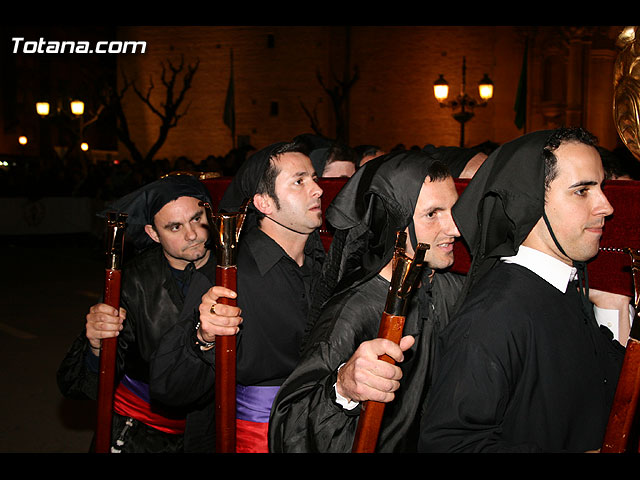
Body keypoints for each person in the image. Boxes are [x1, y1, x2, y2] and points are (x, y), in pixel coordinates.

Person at [418, 127, 628, 453]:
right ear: (531, 201)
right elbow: (449, 444)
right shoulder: (494, 316)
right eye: (582, 191)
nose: (606, 206)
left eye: (600, 187)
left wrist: (613, 305)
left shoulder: (564, 289)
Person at [268, 150, 465, 452]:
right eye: (432, 214)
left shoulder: (444, 286)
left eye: (454, 209)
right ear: (395, 222)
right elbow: (289, 431)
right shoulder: (353, 310)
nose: (454, 228)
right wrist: (342, 389)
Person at [149, 141, 326, 453]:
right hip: (255, 439)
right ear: (264, 203)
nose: (317, 190)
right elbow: (169, 387)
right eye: (299, 181)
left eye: (313, 178)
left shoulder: (328, 267)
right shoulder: (228, 278)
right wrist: (202, 338)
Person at [57, 174, 225, 453]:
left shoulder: (233, 270)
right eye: (175, 227)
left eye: (197, 218)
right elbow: (80, 386)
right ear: (152, 233)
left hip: (212, 435)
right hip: (141, 436)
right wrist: (97, 345)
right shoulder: (133, 282)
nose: (192, 234)